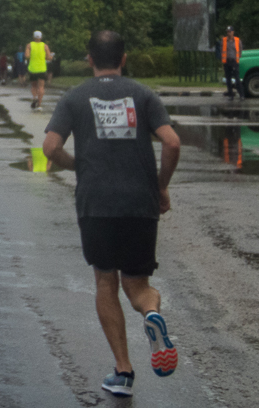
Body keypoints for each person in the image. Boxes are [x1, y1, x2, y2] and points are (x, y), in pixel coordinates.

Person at [42, 31, 182, 398]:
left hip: (97, 204)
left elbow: (50, 147)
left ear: (90, 59)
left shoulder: (74, 97)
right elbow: (171, 142)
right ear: (123, 58)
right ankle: (151, 314)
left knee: (106, 282)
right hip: (140, 203)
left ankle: (123, 371)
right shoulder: (144, 94)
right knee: (138, 286)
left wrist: (79, 166)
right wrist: (161, 185)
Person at [25, 31, 53, 110]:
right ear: (41, 37)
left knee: (33, 85)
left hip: (33, 68)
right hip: (42, 68)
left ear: (34, 37)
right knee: (41, 87)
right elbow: (48, 57)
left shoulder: (29, 45)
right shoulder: (45, 46)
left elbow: (27, 56)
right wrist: (48, 57)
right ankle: (39, 104)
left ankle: (34, 98)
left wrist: (33, 55)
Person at [221, 26, 242, 100]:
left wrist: (237, 59)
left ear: (233, 32)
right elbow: (222, 51)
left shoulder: (237, 40)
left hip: (234, 62)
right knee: (228, 79)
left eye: (230, 31)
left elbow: (240, 50)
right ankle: (231, 95)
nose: (228, 33)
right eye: (227, 32)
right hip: (227, 62)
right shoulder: (224, 41)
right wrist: (224, 62)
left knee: (237, 79)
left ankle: (241, 95)